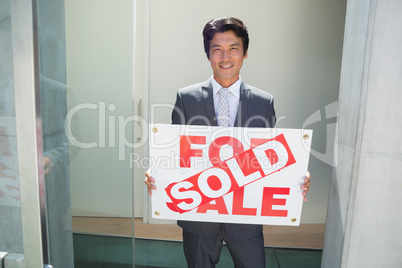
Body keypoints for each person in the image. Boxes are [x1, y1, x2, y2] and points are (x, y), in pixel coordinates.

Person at [145, 16, 311, 268]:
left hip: (245, 217)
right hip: (199, 216)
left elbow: (270, 157)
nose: (225, 57)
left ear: (244, 53)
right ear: (208, 55)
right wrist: (156, 171)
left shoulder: (263, 102)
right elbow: (176, 151)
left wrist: (295, 176)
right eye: (217, 49)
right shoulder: (186, 98)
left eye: (233, 48)